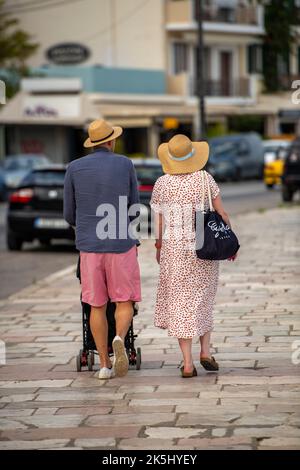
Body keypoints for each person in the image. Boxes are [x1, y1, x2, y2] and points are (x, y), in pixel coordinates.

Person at [150, 134, 237, 378]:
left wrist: (158, 246)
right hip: (204, 247)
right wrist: (230, 242)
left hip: (174, 250)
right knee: (202, 300)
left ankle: (187, 363)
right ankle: (205, 352)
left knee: (179, 303)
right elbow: (222, 214)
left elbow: (158, 220)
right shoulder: (205, 179)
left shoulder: (162, 183)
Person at [64, 119, 141, 380]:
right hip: (121, 243)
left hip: (89, 246)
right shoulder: (125, 164)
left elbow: (69, 213)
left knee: (96, 306)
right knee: (124, 300)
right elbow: (133, 206)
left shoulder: (74, 168)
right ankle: (119, 337)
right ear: (111, 141)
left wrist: (85, 226)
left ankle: (105, 365)